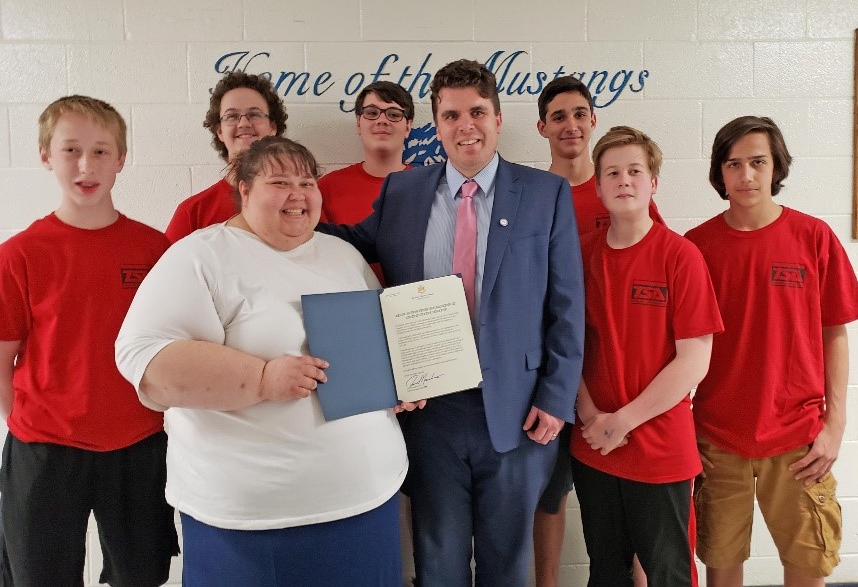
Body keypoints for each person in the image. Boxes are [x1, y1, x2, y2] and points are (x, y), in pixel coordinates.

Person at [319, 59, 584, 586]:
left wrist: (556, 397)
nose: (466, 125)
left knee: (507, 564)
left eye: (478, 112)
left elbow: (568, 303)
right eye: (452, 114)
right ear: (436, 125)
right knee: (437, 561)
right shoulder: (402, 192)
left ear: (499, 117)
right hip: (431, 411)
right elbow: (348, 245)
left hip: (517, 410)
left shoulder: (544, 194)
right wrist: (281, 216)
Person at [116, 137, 414, 586]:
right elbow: (146, 363)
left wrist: (396, 385)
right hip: (251, 524)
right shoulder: (201, 256)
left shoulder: (344, 255)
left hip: (366, 501)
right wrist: (260, 378)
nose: (298, 194)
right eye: (280, 182)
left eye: (307, 182)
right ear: (244, 189)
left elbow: (377, 344)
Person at [0, 95, 178, 586]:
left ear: (121, 159)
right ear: (45, 156)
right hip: (45, 447)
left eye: (101, 151)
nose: (86, 165)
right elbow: (3, 359)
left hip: (140, 442)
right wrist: (28, 421)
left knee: (142, 573)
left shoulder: (153, 248)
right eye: (71, 150)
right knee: (40, 576)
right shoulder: (20, 254)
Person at [685, 116, 858, 587]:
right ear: (719, 174)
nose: (746, 175)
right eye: (734, 164)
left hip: (798, 438)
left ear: (776, 167)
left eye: (757, 162)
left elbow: (835, 333)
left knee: (809, 565)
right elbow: (678, 348)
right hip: (716, 437)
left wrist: (835, 423)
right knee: (721, 562)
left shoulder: (813, 238)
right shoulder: (696, 249)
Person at [570, 126, 723, 587]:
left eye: (635, 171)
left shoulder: (681, 256)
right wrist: (591, 414)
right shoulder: (580, 256)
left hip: (659, 450)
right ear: (596, 186)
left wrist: (625, 420)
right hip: (594, 444)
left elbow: (694, 361)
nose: (624, 181)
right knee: (606, 572)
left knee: (669, 574)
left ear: (653, 182)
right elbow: (567, 347)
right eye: (612, 172)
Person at [534, 76, 663, 587]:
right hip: (552, 373)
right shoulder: (531, 194)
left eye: (580, 114)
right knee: (549, 493)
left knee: (628, 496)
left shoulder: (623, 191)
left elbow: (656, 274)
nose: (571, 125)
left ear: (593, 121)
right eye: (559, 116)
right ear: (542, 126)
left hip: (616, 379)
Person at [164, 71, 287, 242]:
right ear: (220, 131)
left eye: (254, 114)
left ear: (272, 127)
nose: (244, 123)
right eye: (232, 116)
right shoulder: (193, 213)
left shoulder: (299, 204)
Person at [319, 80, 414, 283]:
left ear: (408, 126)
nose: (382, 120)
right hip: (351, 306)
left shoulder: (428, 188)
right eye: (372, 113)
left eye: (394, 114)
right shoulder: (325, 188)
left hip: (415, 308)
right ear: (358, 123)